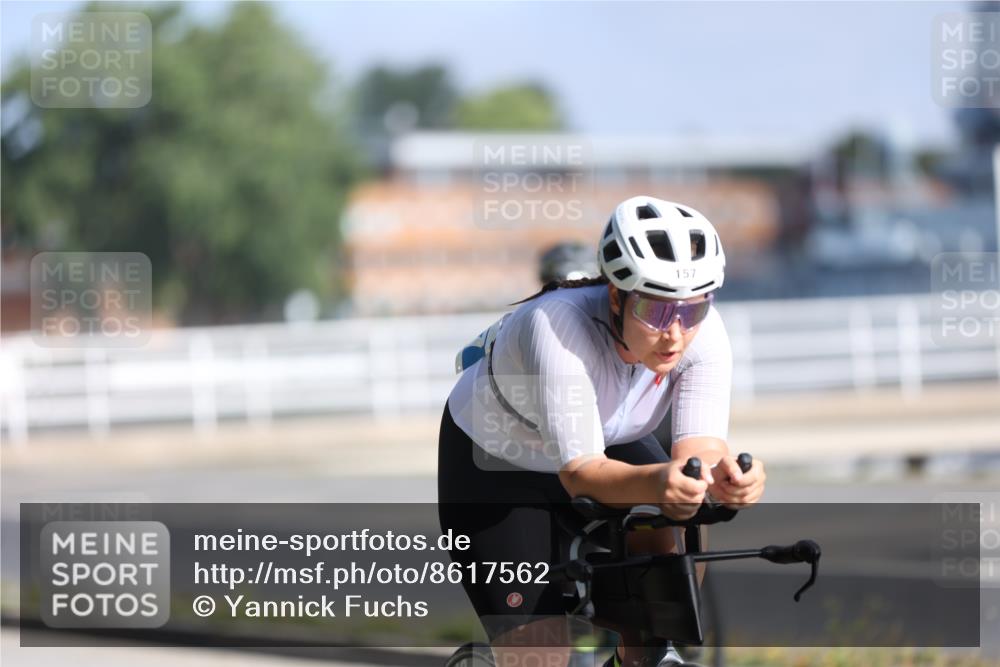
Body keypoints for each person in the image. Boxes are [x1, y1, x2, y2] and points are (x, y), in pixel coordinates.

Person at [438, 196, 766, 667]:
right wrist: (659, 482)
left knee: (669, 549)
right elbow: (581, 472)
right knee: (541, 656)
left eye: (692, 311)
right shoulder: (556, 326)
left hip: (607, 441)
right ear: (617, 297)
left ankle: (645, 656)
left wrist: (730, 478)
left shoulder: (705, 334)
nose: (675, 333)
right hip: (497, 463)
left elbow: (701, 450)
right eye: (655, 311)